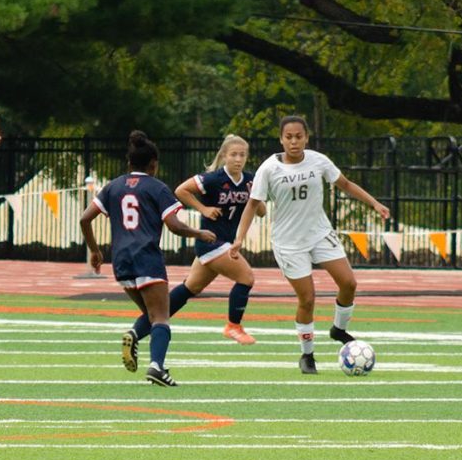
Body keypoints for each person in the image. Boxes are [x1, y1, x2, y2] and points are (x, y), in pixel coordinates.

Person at [230, 115, 390, 374]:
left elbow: (345, 184)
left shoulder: (318, 161)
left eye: (298, 136)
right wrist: (239, 238)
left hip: (319, 233)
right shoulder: (269, 168)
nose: (294, 142)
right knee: (307, 298)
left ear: (306, 137)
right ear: (281, 139)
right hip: (289, 242)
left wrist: (374, 203)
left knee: (349, 283)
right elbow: (252, 204)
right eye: (288, 137)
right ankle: (307, 356)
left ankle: (338, 329)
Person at [80, 130, 215, 387]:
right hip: (147, 258)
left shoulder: (113, 186)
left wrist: (95, 251)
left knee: (153, 315)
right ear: (153, 164)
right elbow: (174, 226)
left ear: (129, 163)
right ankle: (156, 367)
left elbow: (85, 218)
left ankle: (134, 334)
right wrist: (199, 232)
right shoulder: (157, 187)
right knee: (161, 317)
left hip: (121, 262)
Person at [122, 134, 267, 353]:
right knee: (246, 277)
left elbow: (262, 211)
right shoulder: (214, 179)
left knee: (189, 288)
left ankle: (136, 332)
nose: (238, 159)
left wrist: (256, 196)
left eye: (243, 155)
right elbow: (181, 190)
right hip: (210, 241)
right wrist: (204, 209)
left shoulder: (249, 180)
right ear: (224, 156)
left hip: (222, 243)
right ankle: (233, 326)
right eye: (234, 154)